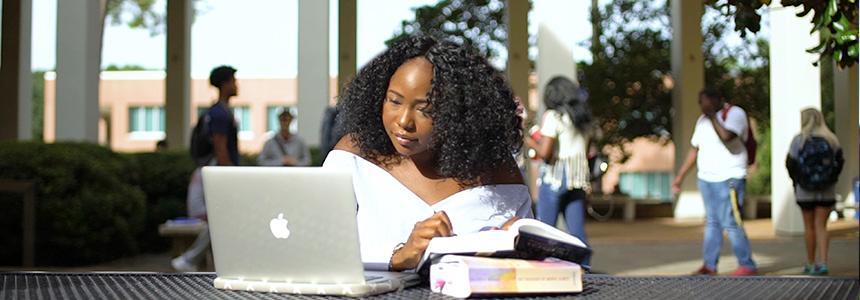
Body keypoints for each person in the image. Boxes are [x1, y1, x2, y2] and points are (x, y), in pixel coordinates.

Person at [322, 36, 533, 271]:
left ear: (457, 114)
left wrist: (519, 248)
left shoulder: (495, 170)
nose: (403, 121)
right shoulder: (355, 157)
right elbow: (317, 249)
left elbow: (538, 260)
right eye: (394, 101)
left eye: (425, 110)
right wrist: (399, 257)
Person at [672, 88, 757, 276]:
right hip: (707, 179)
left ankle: (747, 264)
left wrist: (712, 117)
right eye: (700, 102)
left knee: (732, 221)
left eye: (704, 102)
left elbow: (727, 137)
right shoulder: (702, 121)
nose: (701, 106)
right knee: (712, 222)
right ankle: (709, 265)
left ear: (717, 100)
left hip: (730, 178)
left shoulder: (735, 114)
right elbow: (695, 150)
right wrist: (680, 177)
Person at [172, 65, 240, 272]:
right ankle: (190, 259)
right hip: (217, 173)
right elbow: (220, 148)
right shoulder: (220, 114)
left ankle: (202, 262)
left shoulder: (217, 111)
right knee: (222, 218)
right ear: (225, 84)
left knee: (224, 220)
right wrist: (231, 175)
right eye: (233, 80)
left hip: (211, 172)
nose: (237, 84)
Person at [524, 76, 593, 265]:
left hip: (556, 176)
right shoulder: (582, 119)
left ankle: (544, 271)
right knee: (577, 231)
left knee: (546, 230)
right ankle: (584, 268)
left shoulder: (553, 116)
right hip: (578, 177)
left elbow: (546, 153)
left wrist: (527, 140)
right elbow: (587, 151)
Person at [785, 108, 844, 275]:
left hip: (805, 191)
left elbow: (790, 163)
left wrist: (797, 181)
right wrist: (830, 179)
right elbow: (840, 162)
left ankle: (810, 263)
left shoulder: (799, 140)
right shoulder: (831, 139)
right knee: (822, 226)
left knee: (809, 227)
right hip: (827, 190)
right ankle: (823, 262)